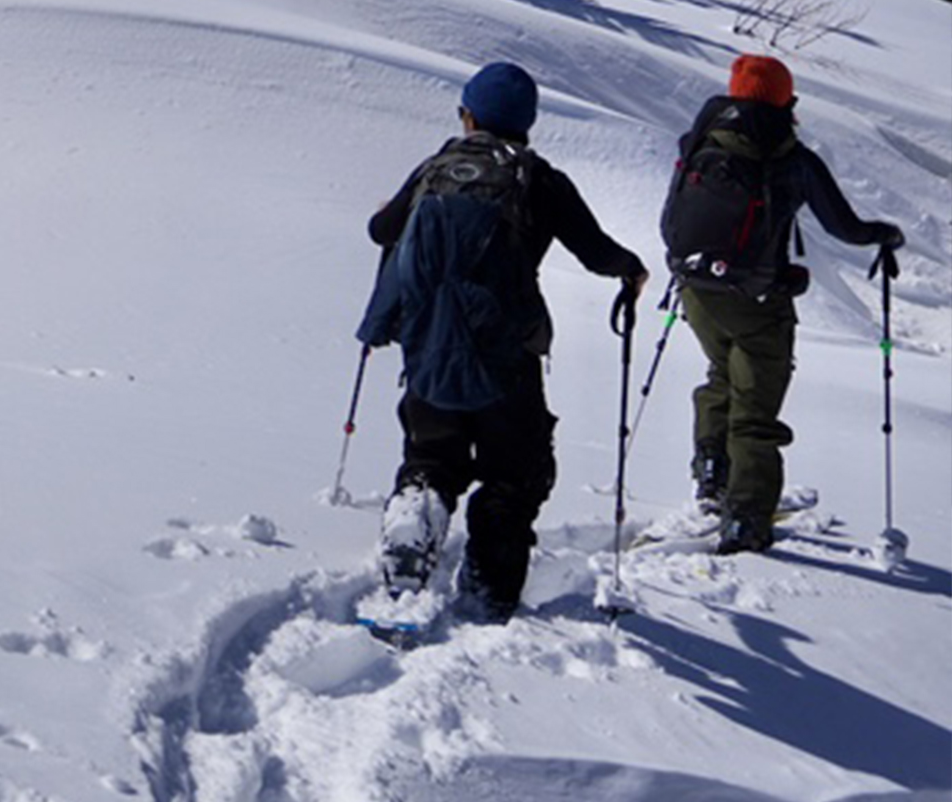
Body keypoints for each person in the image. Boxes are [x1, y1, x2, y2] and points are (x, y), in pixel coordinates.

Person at [357, 61, 649, 622]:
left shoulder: (432, 170)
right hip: (506, 356)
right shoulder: (538, 179)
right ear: (529, 122)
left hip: (428, 346)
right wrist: (631, 270)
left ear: (468, 115)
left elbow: (380, 232)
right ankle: (489, 585)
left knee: (431, 453)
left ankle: (415, 516)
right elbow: (594, 251)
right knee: (515, 471)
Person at [661, 54, 906, 553]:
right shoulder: (791, 157)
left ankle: (712, 471)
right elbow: (845, 227)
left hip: (696, 288)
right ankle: (746, 518)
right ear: (785, 100)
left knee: (720, 374)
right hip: (756, 299)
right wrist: (886, 235)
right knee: (755, 404)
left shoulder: (699, 140)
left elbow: (671, 220)